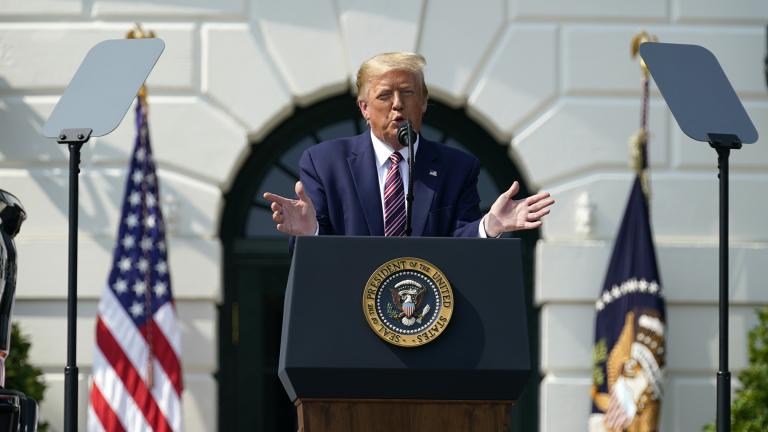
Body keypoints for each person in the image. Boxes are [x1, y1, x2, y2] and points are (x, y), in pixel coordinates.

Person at [263, 52, 554, 239]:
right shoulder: (324, 162)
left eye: (408, 93)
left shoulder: (457, 168)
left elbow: (460, 241)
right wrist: (311, 231)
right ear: (364, 108)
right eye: (384, 96)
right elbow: (315, 256)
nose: (397, 104)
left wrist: (489, 226)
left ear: (424, 102)